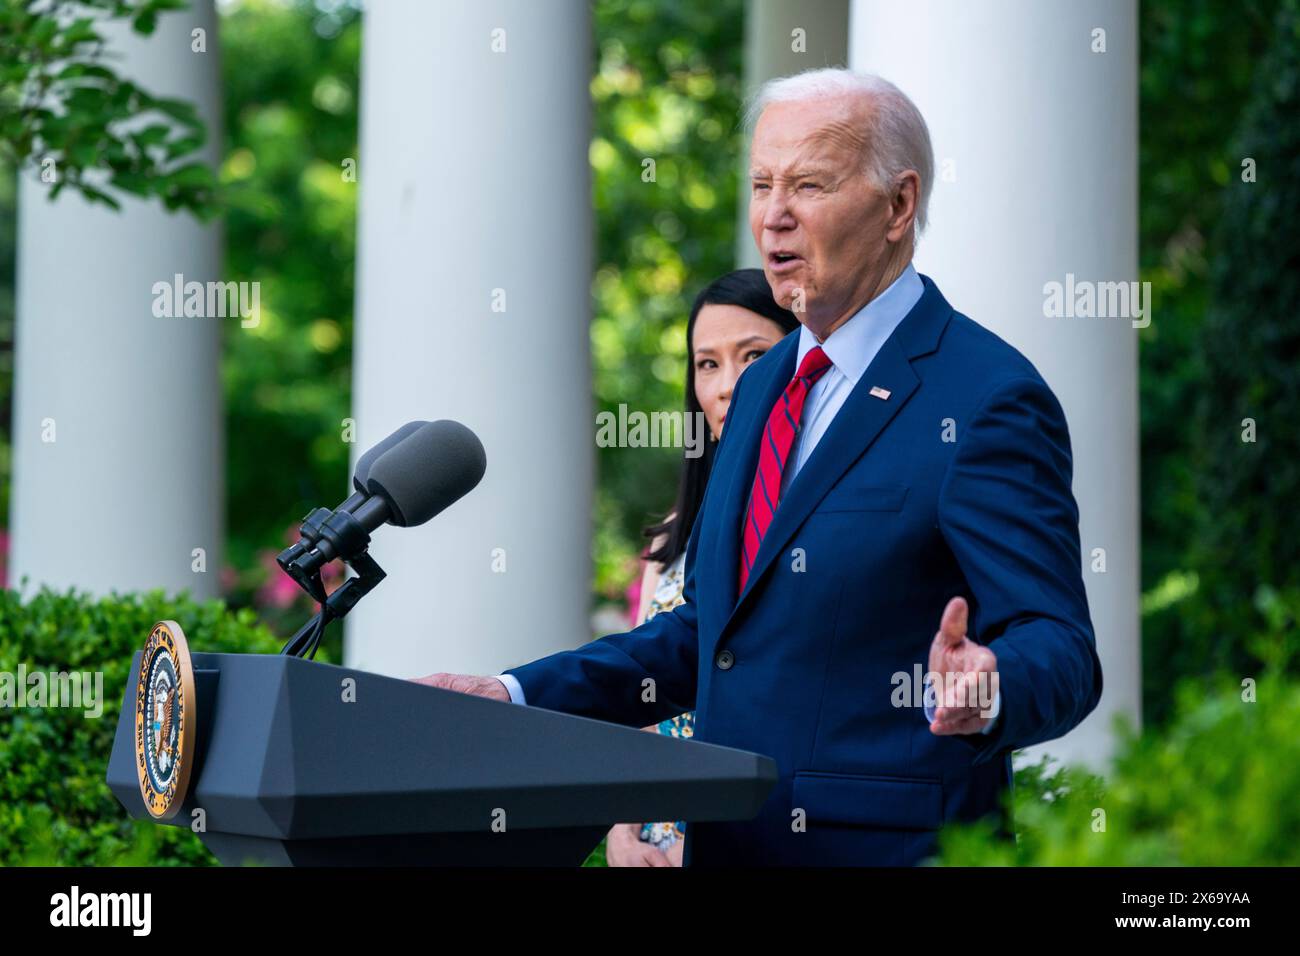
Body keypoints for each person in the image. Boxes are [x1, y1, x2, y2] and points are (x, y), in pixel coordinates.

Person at [415, 67, 1103, 866]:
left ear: (898, 205)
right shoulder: (766, 385)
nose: (773, 217)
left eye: (809, 184)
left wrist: (989, 685)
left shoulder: (986, 396)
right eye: (762, 184)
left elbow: (1059, 644)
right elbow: (705, 634)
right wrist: (515, 695)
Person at [605, 269, 799, 867]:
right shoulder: (671, 535)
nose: (726, 386)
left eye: (753, 355)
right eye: (706, 363)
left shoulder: (812, 527)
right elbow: (648, 690)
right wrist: (621, 829)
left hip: (758, 841)